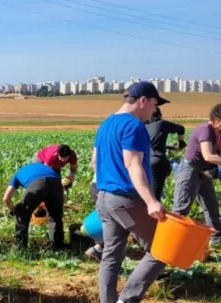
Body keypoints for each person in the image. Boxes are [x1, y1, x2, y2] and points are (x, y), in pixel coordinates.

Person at [94, 81, 167, 303]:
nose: (155, 111)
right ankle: (126, 300)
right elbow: (133, 166)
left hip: (104, 198)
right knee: (162, 249)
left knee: (111, 257)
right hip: (127, 200)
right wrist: (151, 201)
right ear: (143, 101)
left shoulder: (106, 123)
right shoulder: (134, 126)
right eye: (154, 105)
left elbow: (94, 161)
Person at [171, 104, 221, 245]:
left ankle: (216, 239)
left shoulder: (218, 133)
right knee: (181, 207)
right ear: (217, 119)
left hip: (203, 172)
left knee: (211, 205)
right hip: (189, 170)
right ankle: (173, 241)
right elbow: (208, 156)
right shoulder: (205, 130)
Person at [2, 163, 65, 250]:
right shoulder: (46, 168)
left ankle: (20, 248)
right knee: (55, 217)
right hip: (57, 183)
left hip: (37, 184)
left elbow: (6, 198)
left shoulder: (18, 173)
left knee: (23, 214)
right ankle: (58, 247)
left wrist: (14, 210)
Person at [145, 106, 186, 201]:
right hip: (156, 160)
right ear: (159, 115)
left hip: (143, 160)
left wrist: (170, 146)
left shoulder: (142, 125)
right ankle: (154, 214)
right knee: (155, 195)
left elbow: (151, 144)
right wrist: (180, 143)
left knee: (144, 193)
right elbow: (181, 129)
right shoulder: (161, 124)